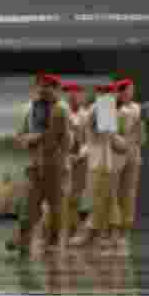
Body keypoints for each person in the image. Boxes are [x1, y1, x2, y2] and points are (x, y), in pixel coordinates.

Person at [13, 73, 72, 252]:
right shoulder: (30, 109)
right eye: (40, 86)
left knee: (55, 206)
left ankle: (52, 242)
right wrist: (24, 139)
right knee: (28, 204)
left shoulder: (60, 110)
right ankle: (23, 239)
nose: (43, 90)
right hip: (34, 164)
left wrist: (34, 138)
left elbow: (59, 138)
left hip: (54, 164)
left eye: (47, 86)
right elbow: (21, 134)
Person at [69, 83, 129, 248]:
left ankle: (96, 234)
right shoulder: (104, 105)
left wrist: (122, 143)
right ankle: (99, 235)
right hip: (101, 162)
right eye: (116, 93)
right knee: (103, 198)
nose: (118, 96)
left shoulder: (101, 107)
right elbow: (109, 136)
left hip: (101, 162)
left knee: (104, 198)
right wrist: (124, 143)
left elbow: (107, 136)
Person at [112, 78, 146, 248]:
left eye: (132, 90)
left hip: (132, 155)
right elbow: (106, 133)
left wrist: (137, 133)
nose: (131, 93)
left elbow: (142, 137)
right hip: (112, 156)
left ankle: (125, 231)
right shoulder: (106, 105)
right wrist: (121, 142)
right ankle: (111, 231)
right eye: (128, 90)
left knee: (129, 194)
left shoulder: (137, 108)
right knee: (111, 194)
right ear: (119, 91)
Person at [61, 82, 89, 241]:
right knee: (66, 198)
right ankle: (74, 230)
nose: (73, 96)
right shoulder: (63, 115)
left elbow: (92, 140)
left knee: (74, 198)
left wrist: (81, 154)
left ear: (82, 96)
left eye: (76, 93)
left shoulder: (87, 115)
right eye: (70, 94)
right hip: (65, 160)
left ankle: (75, 230)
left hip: (81, 161)